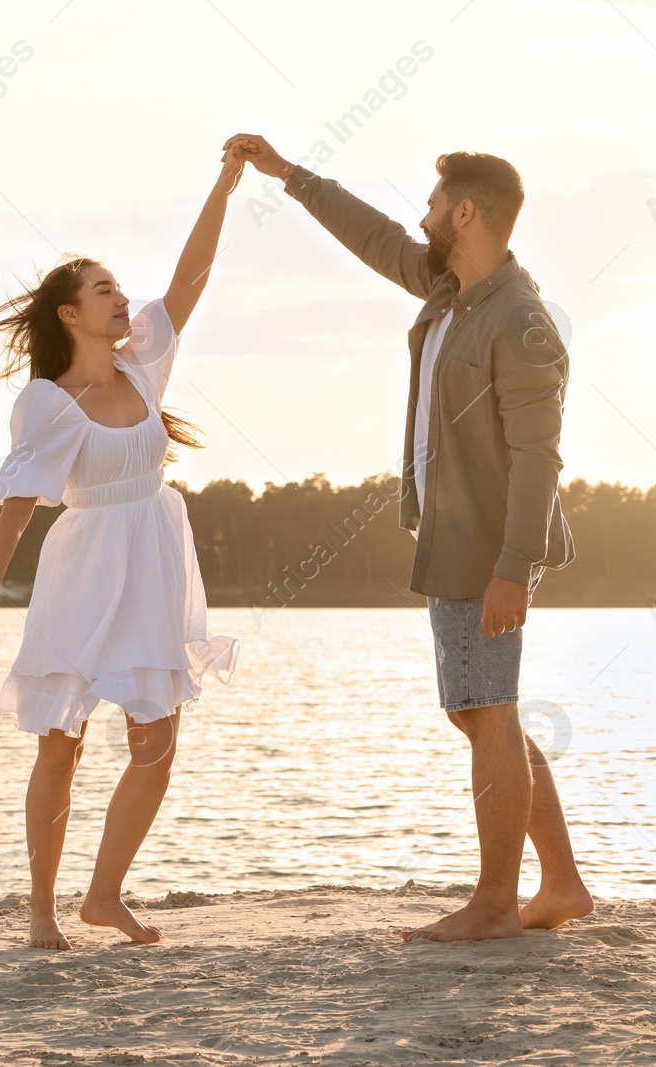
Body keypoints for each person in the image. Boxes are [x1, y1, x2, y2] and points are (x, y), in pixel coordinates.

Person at [224, 133, 592, 942]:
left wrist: (513, 569)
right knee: (485, 711)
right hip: (454, 539)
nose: (420, 217)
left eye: (432, 205)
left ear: (465, 212)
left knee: (485, 712)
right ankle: (560, 881)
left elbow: (539, 458)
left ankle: (496, 902)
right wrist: (290, 176)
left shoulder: (521, 321)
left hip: (488, 550)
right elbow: (375, 237)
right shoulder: (450, 288)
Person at [0, 147, 248, 949]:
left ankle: (103, 895)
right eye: (103, 289)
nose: (122, 298)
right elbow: (14, 513)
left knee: (158, 738)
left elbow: (191, 280)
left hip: (152, 553)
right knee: (63, 739)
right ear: (69, 315)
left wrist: (223, 186)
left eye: (120, 287)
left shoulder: (144, 367)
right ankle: (43, 908)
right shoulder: (48, 402)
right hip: (85, 566)